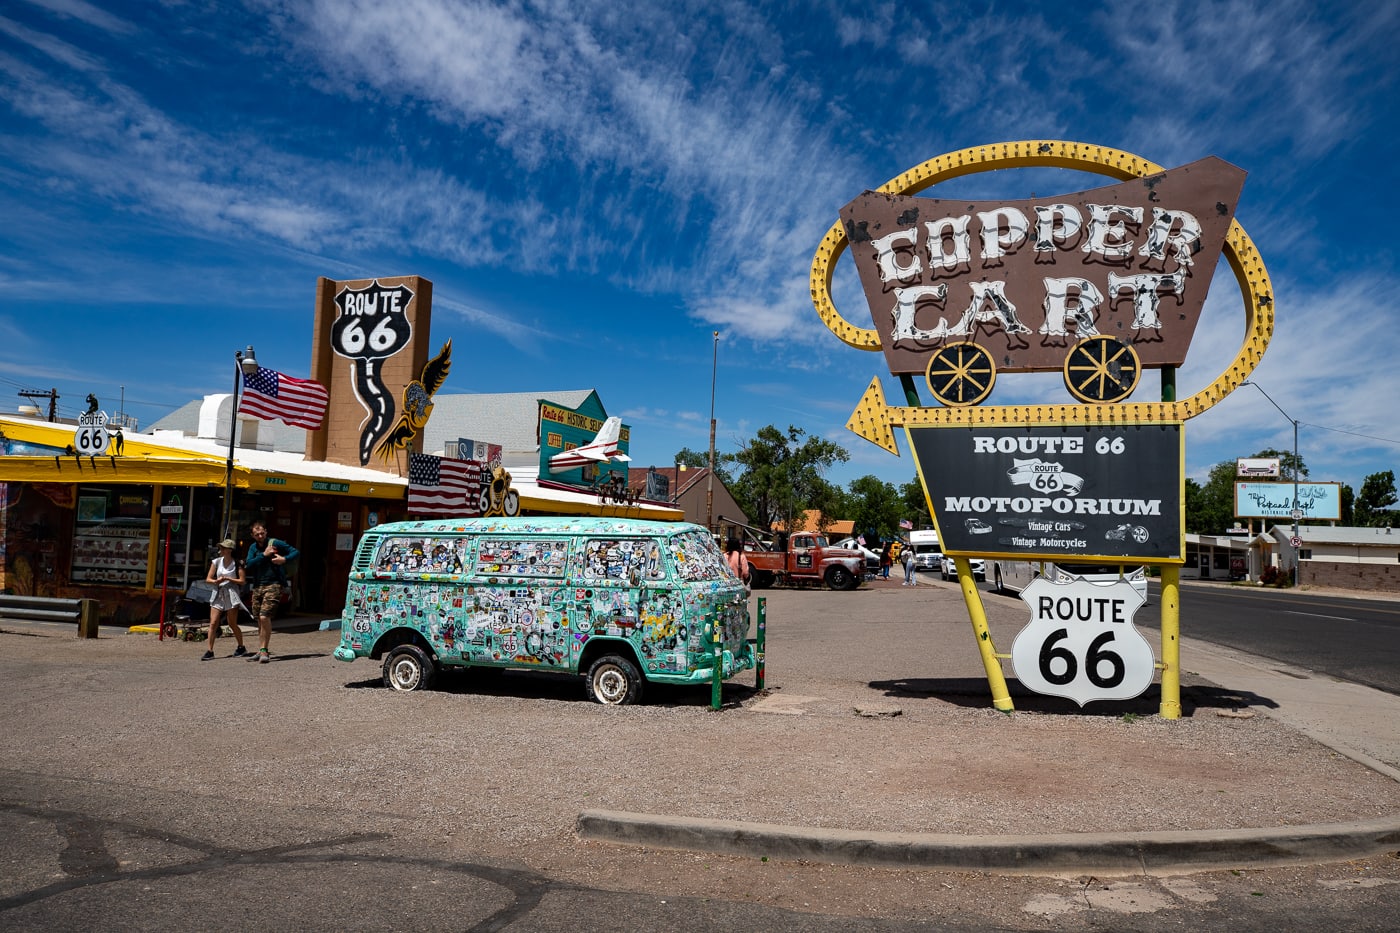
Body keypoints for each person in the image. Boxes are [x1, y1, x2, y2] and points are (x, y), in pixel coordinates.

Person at [245, 520, 299, 663]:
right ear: (253, 535)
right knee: (259, 619)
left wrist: (284, 559)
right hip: (257, 585)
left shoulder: (275, 543)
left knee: (264, 616)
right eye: (257, 534)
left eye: (262, 533)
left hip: (274, 584)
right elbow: (249, 564)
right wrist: (263, 555)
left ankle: (264, 651)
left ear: (266, 532)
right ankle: (261, 648)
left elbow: (295, 552)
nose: (260, 536)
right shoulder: (253, 547)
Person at [202, 538, 248, 660]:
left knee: (232, 623)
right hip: (218, 592)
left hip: (231, 592)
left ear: (229, 550)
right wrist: (216, 581)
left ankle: (241, 646)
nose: (220, 549)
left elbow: (242, 581)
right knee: (213, 622)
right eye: (220, 547)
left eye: (223, 548)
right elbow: (208, 578)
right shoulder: (216, 561)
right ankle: (209, 650)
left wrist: (229, 579)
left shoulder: (237, 563)